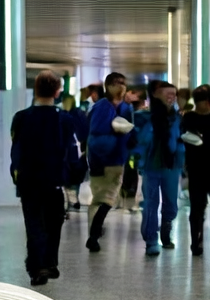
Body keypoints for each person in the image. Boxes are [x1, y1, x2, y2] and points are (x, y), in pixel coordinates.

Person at [10, 70, 77, 286]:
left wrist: (15, 174)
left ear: (35, 90)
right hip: (54, 180)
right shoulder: (64, 119)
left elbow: (16, 150)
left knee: (34, 224)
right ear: (57, 92)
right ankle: (48, 262)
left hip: (29, 180)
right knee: (53, 223)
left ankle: (36, 266)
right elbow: (70, 151)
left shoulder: (21, 118)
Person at [180, 85, 210, 264]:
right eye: (199, 102)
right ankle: (196, 242)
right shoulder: (189, 118)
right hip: (196, 170)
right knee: (197, 209)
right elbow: (184, 139)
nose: (203, 106)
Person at [84, 73, 133, 252]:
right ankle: (94, 234)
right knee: (106, 198)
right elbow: (95, 138)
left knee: (104, 198)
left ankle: (94, 233)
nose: (121, 87)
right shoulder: (103, 107)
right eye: (117, 83)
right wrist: (117, 137)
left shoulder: (122, 108)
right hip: (104, 161)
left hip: (115, 159)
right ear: (108, 86)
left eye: (123, 83)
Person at [136, 80, 184, 256]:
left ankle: (166, 229)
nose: (171, 97)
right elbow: (138, 141)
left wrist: (180, 152)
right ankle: (151, 240)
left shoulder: (178, 118)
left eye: (174, 94)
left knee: (171, 204)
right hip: (151, 165)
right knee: (150, 203)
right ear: (156, 95)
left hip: (172, 165)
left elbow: (182, 139)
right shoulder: (144, 117)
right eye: (167, 93)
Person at [61, 94, 89, 213]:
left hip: (73, 150)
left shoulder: (63, 116)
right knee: (73, 175)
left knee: (72, 175)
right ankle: (72, 199)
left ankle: (71, 198)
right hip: (75, 150)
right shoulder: (78, 115)